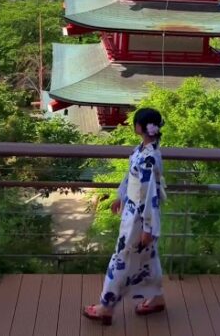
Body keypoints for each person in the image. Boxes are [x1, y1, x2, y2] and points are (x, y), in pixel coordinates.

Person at [83, 107, 168, 325]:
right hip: (134, 209)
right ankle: (156, 297)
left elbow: (150, 196)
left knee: (121, 259)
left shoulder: (148, 157)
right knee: (147, 257)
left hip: (139, 219)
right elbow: (132, 179)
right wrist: (121, 196)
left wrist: (149, 228)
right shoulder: (147, 150)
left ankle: (106, 306)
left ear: (140, 127)